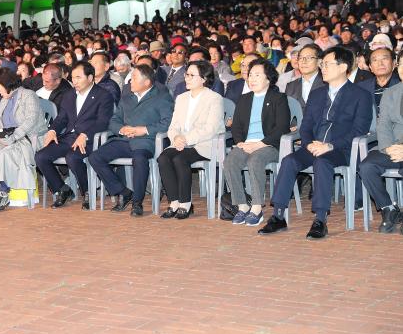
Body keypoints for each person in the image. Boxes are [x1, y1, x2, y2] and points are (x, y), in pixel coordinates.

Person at [259, 47, 372, 239]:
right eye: (322, 64)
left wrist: (329, 145)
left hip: (341, 149)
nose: (323, 67)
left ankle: (320, 219)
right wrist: (309, 142)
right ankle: (278, 216)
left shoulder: (360, 95)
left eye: (327, 64)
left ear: (343, 66)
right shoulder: (317, 94)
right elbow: (306, 125)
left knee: (322, 162)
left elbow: (359, 130)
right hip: (313, 145)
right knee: (288, 161)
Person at [87, 64, 174, 216]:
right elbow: (114, 120)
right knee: (95, 157)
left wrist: (143, 130)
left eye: (134, 78)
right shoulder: (126, 98)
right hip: (125, 140)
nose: (130, 82)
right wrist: (121, 129)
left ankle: (137, 202)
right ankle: (123, 191)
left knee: (139, 159)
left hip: (147, 141)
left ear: (146, 82)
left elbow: (168, 122)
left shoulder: (162, 97)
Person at [35, 62, 114, 209]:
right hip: (69, 138)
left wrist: (86, 134)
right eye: (73, 77)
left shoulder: (103, 95)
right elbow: (61, 118)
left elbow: (103, 122)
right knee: (41, 156)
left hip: (90, 139)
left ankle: (87, 191)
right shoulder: (69, 94)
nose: (75, 81)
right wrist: (52, 130)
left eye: (78, 77)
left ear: (90, 78)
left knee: (73, 157)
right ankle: (62, 189)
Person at [221, 59, 290, 226]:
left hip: (269, 145)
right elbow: (236, 126)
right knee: (230, 161)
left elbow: (282, 127)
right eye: (250, 75)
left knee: (255, 160)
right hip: (246, 143)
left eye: (257, 75)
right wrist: (240, 142)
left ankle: (257, 207)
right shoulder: (244, 99)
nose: (252, 78)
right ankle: (243, 205)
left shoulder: (278, 98)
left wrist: (260, 144)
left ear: (269, 78)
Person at [158, 61, 224, 219]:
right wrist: (176, 138)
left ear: (203, 79)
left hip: (204, 143)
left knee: (180, 159)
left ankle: (186, 203)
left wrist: (185, 138)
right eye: (186, 74)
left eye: (191, 75)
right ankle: (174, 201)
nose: (186, 78)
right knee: (163, 158)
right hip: (182, 142)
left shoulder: (214, 98)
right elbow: (173, 126)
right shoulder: (181, 98)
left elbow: (210, 129)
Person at [0, 68, 48, 212]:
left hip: (27, 140)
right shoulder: (4, 100)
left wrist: (13, 137)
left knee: (5, 153)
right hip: (8, 139)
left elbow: (30, 120)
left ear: (7, 84)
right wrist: (1, 137)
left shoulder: (28, 95)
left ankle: (3, 190)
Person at [357, 52, 403, 233]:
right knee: (367, 166)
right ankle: (388, 208)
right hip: (393, 146)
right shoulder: (391, 93)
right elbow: (382, 125)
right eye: (402, 65)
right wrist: (388, 147)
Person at [284, 44, 325, 109]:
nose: (304, 61)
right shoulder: (291, 86)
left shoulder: (327, 83)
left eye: (308, 58)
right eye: (300, 58)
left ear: (319, 62)